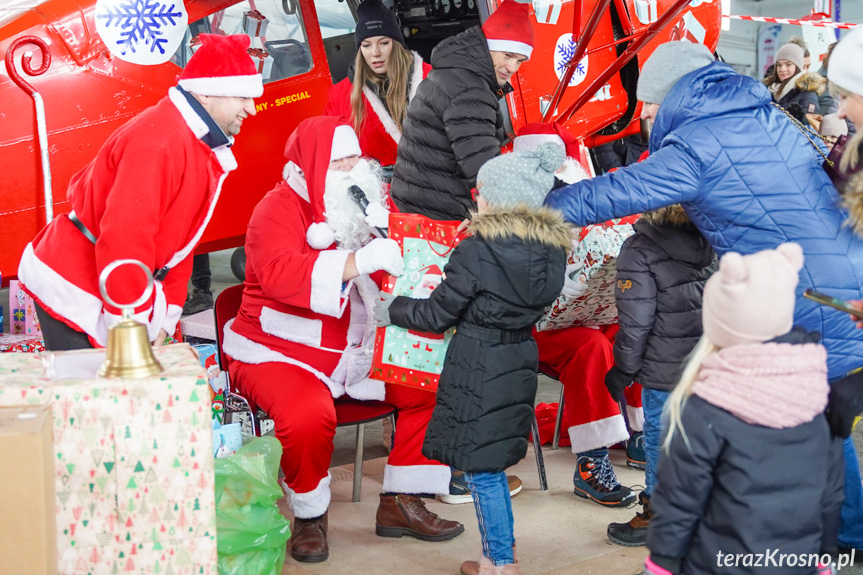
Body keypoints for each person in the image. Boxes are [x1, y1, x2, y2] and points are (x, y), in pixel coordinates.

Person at [544, 40, 863, 551]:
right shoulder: (766, 116)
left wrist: (531, 204)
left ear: (672, 91)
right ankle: (847, 531)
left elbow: (614, 193)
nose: (645, 113)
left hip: (799, 294)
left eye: (649, 100)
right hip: (846, 276)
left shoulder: (698, 143)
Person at [222, 116, 463, 563]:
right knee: (307, 413)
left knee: (430, 384)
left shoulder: (367, 202)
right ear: (313, 166)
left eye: (357, 157)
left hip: (356, 349)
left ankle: (401, 500)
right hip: (278, 350)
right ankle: (310, 515)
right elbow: (278, 276)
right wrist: (359, 260)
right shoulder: (276, 209)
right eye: (340, 161)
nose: (354, 168)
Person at [374, 143, 571, 575]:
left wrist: (391, 307)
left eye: (482, 192)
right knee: (493, 463)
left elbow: (436, 314)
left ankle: (498, 562)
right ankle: (503, 554)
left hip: (479, 362)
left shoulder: (478, 251)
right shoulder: (553, 251)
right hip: (519, 357)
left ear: (498, 199)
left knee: (482, 472)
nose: (476, 197)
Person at [18, 34, 261, 350]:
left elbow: (181, 247)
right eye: (242, 97)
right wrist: (130, 327)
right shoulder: (160, 142)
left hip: (112, 285)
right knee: (90, 396)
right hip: (76, 284)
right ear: (204, 93)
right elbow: (125, 238)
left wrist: (163, 321)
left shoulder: (196, 145)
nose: (252, 109)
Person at [644, 244, 843, 575]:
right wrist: (824, 556)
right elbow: (830, 490)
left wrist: (661, 563)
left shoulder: (705, 404)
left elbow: (680, 499)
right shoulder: (816, 392)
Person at [514, 123, 640, 508]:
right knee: (589, 346)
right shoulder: (510, 207)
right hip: (528, 325)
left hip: (582, 313)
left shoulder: (581, 196)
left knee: (631, 329)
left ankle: (639, 433)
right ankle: (591, 464)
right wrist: (556, 286)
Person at [604, 205, 716, 547]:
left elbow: (636, 323)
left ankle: (657, 518)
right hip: (708, 363)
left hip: (664, 370)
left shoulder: (640, 249)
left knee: (661, 441)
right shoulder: (711, 238)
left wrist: (623, 368)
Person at [389, 0, 534, 220]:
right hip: (438, 214)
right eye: (507, 55)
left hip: (414, 203)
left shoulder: (455, 72)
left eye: (520, 61)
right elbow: (486, 172)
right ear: (488, 46)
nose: (512, 68)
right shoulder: (470, 91)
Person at [324, 0, 431, 172]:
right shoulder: (340, 96)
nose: (375, 53)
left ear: (396, 44)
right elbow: (330, 150)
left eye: (383, 43)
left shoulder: (432, 79)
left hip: (436, 182)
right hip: (380, 190)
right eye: (366, 45)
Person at [764, 42, 824, 120]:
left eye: (788, 64)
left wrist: (799, 118)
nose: (782, 69)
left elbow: (809, 128)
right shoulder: (769, 90)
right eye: (779, 65)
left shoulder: (807, 94)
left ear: (798, 67)